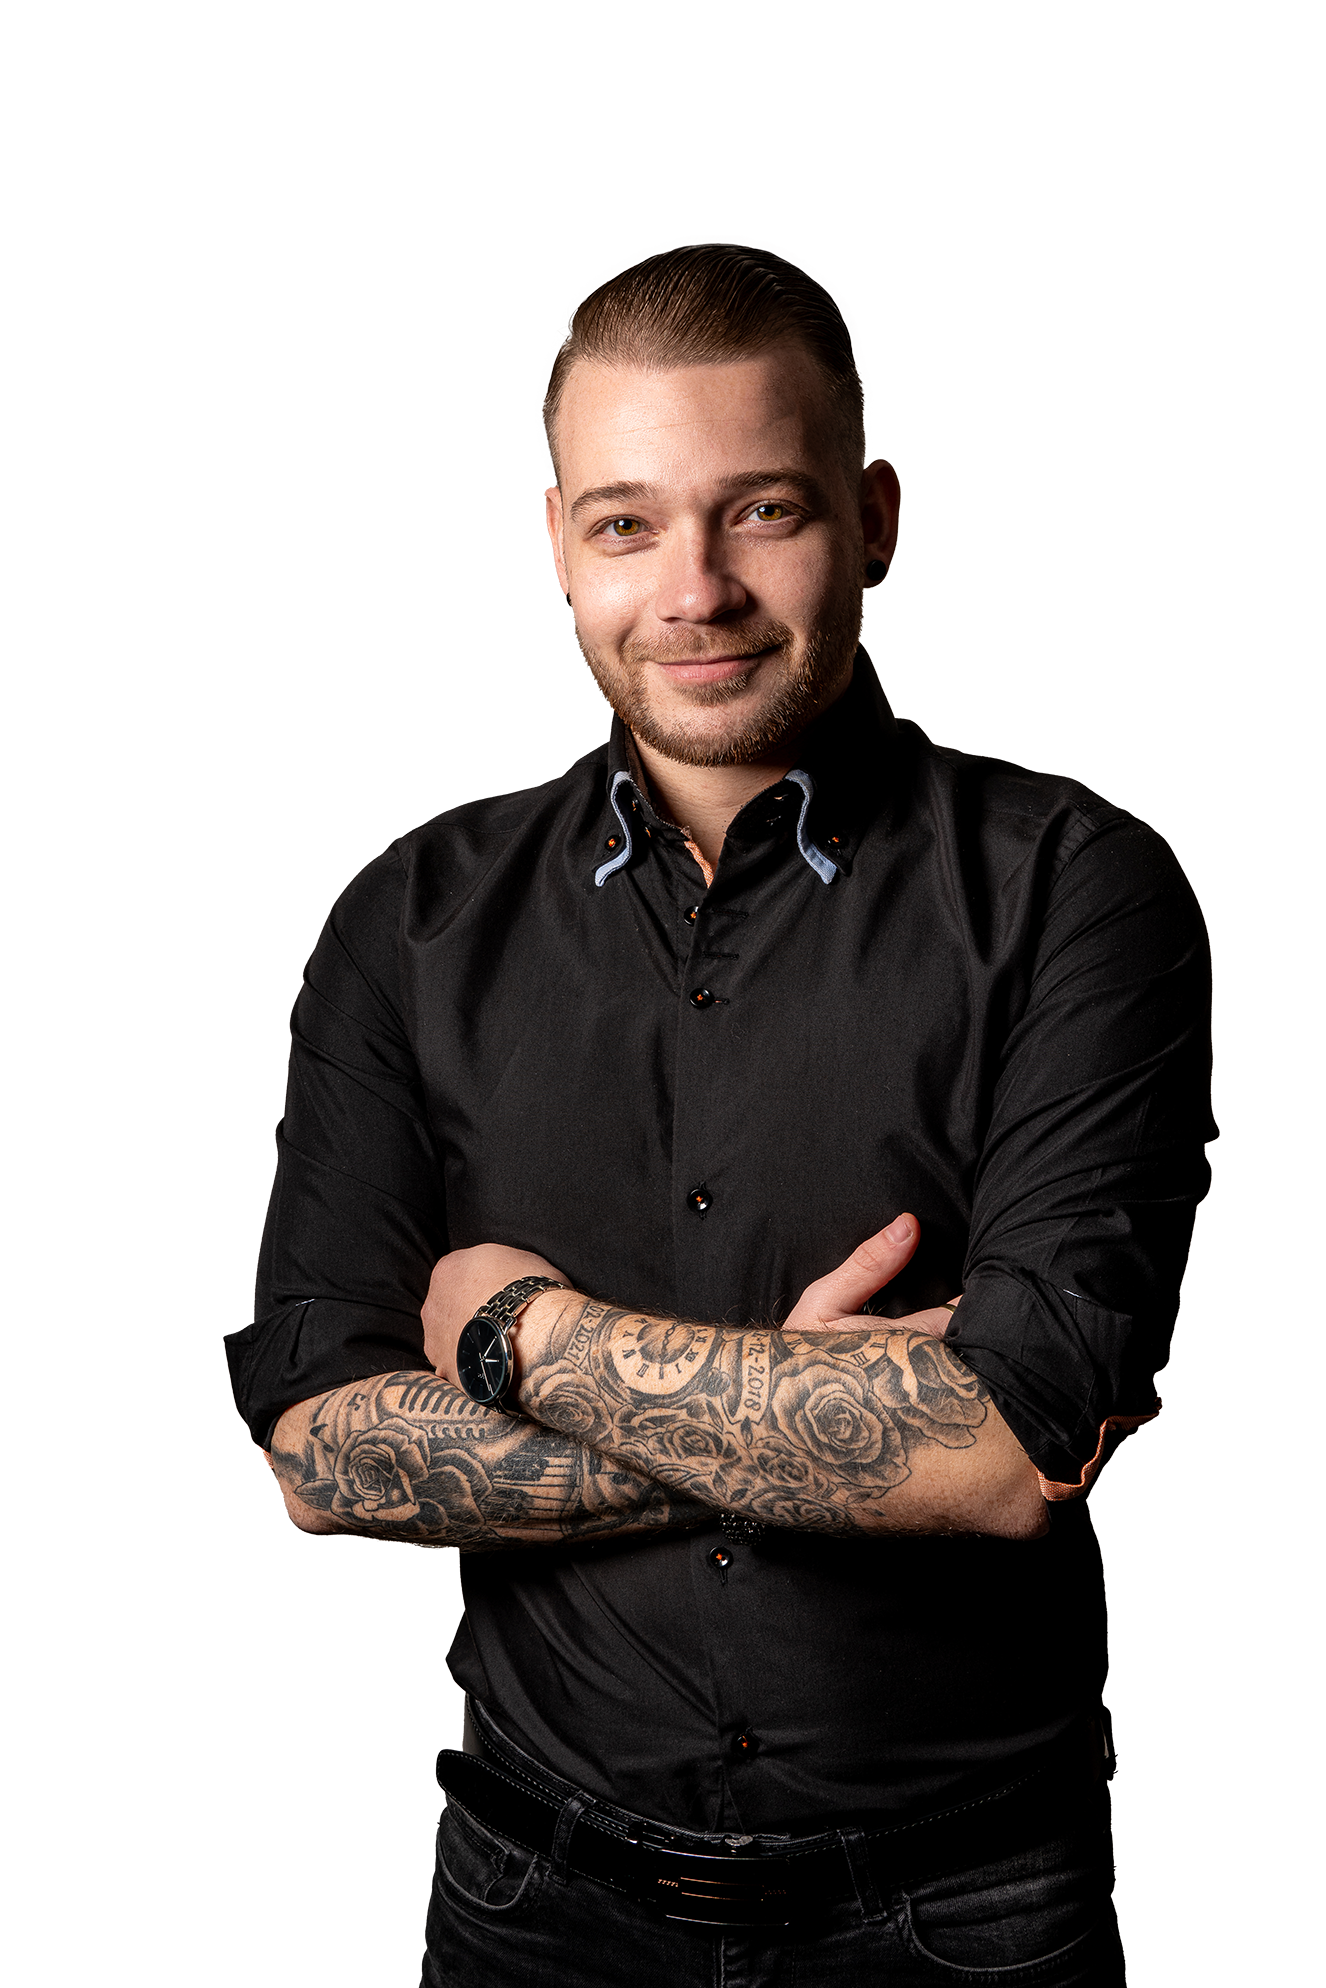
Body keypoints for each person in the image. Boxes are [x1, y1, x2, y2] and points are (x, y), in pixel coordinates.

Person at [226, 243, 1215, 1987]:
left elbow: (1005, 1446)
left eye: (760, 509)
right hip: (529, 1907)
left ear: (872, 516)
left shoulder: (1076, 889)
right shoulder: (410, 919)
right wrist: (832, 1427)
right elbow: (317, 1443)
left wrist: (523, 1339)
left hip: (962, 1917)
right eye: (626, 524)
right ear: (556, 546)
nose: (694, 590)